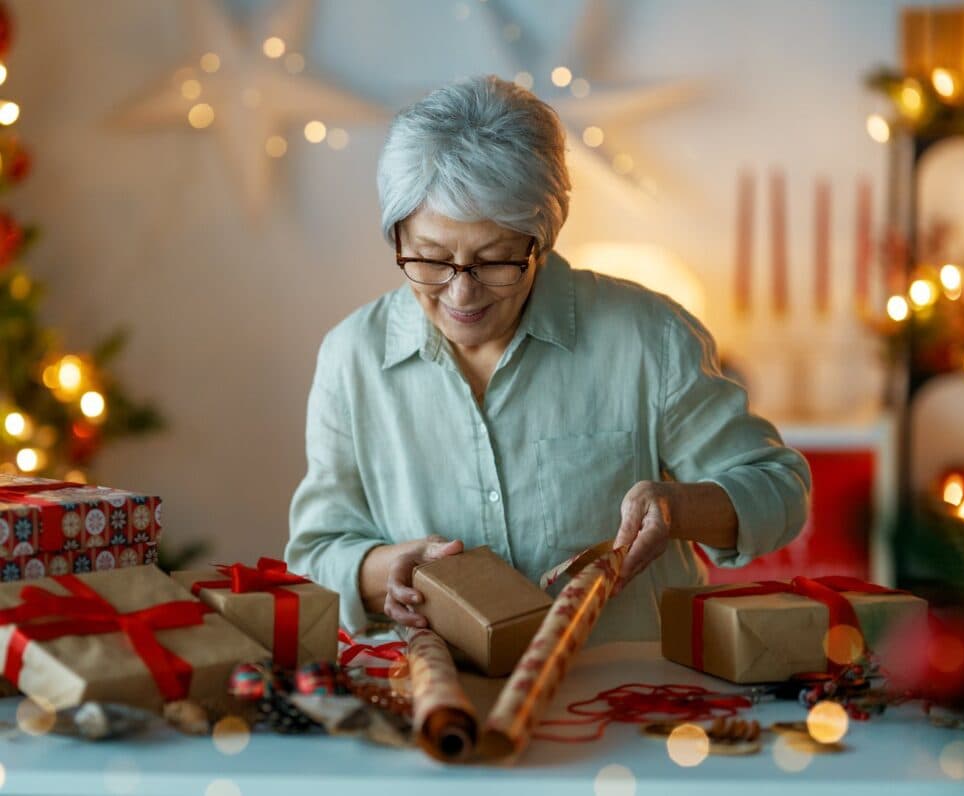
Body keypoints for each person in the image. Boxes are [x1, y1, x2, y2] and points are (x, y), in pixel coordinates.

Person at [286, 75, 810, 644]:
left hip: (634, 697)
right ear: (397, 237)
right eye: (431, 259)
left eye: (493, 261)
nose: (461, 294)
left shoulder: (647, 337)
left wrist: (680, 508)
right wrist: (384, 573)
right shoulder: (352, 357)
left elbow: (780, 490)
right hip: (436, 701)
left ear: (543, 239)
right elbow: (314, 554)